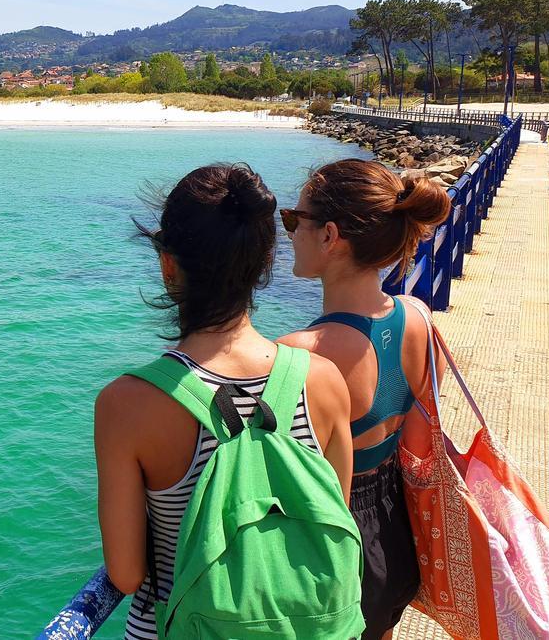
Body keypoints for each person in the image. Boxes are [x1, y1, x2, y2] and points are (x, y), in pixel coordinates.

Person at [94, 163, 355, 640]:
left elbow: (127, 574)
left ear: (168, 265)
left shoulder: (127, 404)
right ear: (264, 262)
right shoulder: (324, 380)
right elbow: (331, 517)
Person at [278, 159, 450, 640]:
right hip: (396, 531)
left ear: (330, 236)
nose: (289, 232)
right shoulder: (417, 316)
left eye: (295, 220)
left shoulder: (301, 354)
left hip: (338, 539)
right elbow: (420, 436)